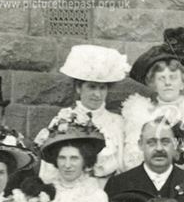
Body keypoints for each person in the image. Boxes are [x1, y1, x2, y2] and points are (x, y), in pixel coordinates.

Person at [123, 27, 184, 180]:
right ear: (153, 84)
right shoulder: (141, 113)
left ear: (182, 83)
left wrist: (174, 177)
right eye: (161, 79)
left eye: (173, 78)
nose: (167, 83)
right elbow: (130, 163)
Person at [38, 45, 130, 186]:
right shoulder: (63, 120)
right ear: (79, 88)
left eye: (102, 88)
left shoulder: (117, 123)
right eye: (92, 87)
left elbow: (124, 169)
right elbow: (49, 171)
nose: (97, 94)